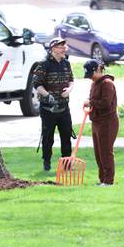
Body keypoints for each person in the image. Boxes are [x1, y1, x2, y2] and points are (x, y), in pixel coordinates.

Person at [32, 37, 74, 171]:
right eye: (61, 47)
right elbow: (36, 84)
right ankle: (47, 162)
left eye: (64, 47)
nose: (64, 49)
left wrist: (69, 89)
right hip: (48, 109)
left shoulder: (66, 63)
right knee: (48, 137)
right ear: (53, 49)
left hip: (64, 107)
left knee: (66, 135)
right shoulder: (43, 65)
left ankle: (67, 164)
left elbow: (71, 80)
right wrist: (47, 95)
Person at [82, 59, 118, 186]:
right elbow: (93, 99)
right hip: (96, 121)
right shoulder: (94, 84)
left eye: (91, 74)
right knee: (98, 152)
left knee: (105, 151)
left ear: (98, 69)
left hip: (107, 122)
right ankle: (102, 179)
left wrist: (91, 103)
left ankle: (108, 181)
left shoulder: (107, 84)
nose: (90, 78)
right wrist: (89, 101)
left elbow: (106, 103)